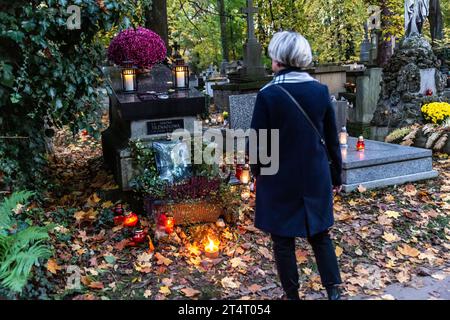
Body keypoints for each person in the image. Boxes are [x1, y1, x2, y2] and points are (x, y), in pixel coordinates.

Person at [250, 31, 343, 300]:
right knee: (320, 234)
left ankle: (292, 295)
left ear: (279, 59)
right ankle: (333, 291)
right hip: (315, 175)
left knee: (282, 240)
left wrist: (257, 173)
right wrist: (335, 174)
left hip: (279, 177)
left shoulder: (268, 94)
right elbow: (331, 138)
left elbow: (258, 144)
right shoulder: (319, 90)